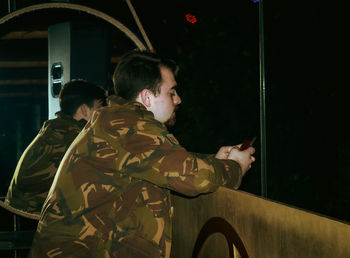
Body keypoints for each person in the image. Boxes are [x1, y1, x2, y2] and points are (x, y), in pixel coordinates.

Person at [29, 50, 255, 258]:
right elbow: (193, 178)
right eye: (172, 92)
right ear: (147, 97)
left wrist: (213, 161)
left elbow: (162, 160)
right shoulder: (128, 125)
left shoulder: (118, 122)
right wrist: (234, 167)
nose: (178, 100)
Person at [4, 79, 106, 215]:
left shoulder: (54, 130)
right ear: (84, 110)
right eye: (98, 109)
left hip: (18, 219)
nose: (102, 116)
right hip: (35, 222)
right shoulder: (74, 139)